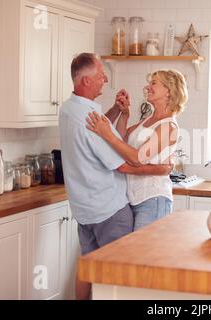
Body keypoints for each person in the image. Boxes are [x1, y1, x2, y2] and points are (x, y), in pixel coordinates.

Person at [59, 53, 172, 300]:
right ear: (86, 81)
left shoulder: (69, 109)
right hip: (108, 209)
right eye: (101, 76)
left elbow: (100, 132)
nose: (105, 79)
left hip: (84, 210)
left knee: (87, 267)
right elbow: (123, 163)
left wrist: (117, 111)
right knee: (119, 274)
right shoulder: (90, 117)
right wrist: (160, 169)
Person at [86, 69, 188, 231]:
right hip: (134, 199)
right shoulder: (150, 119)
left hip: (153, 199)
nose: (147, 87)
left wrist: (106, 133)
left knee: (143, 255)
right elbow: (122, 138)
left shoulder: (168, 125)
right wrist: (124, 114)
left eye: (153, 83)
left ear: (169, 90)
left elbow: (137, 158)